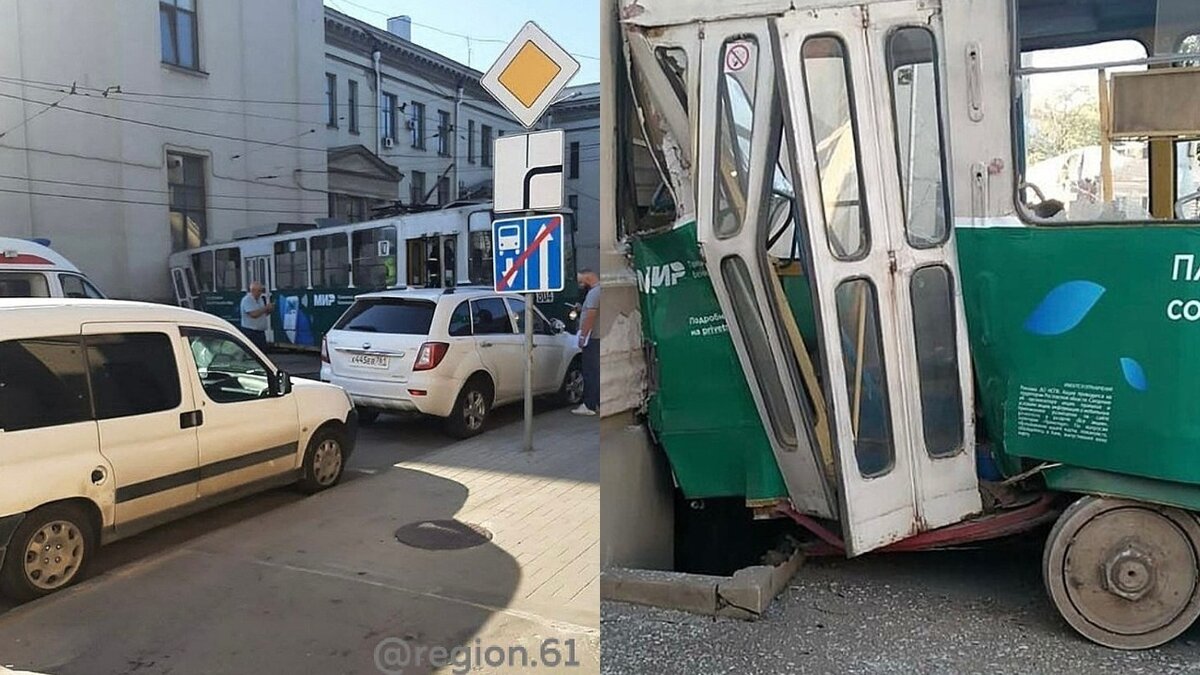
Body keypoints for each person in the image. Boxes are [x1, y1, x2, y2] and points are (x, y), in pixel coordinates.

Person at [573, 269, 600, 416]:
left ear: (588, 277)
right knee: (595, 371)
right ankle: (596, 403)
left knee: (590, 372)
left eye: (581, 280)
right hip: (596, 337)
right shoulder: (596, 292)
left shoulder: (594, 293)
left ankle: (589, 405)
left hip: (592, 338)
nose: (580, 284)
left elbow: (591, 316)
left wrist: (583, 336)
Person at [240, 281, 274, 352]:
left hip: (260, 332)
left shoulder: (260, 299)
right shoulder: (247, 300)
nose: (260, 293)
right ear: (252, 290)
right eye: (258, 291)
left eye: (261, 291)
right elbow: (253, 314)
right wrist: (266, 308)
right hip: (250, 332)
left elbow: (262, 314)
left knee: (263, 352)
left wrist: (269, 310)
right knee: (253, 352)